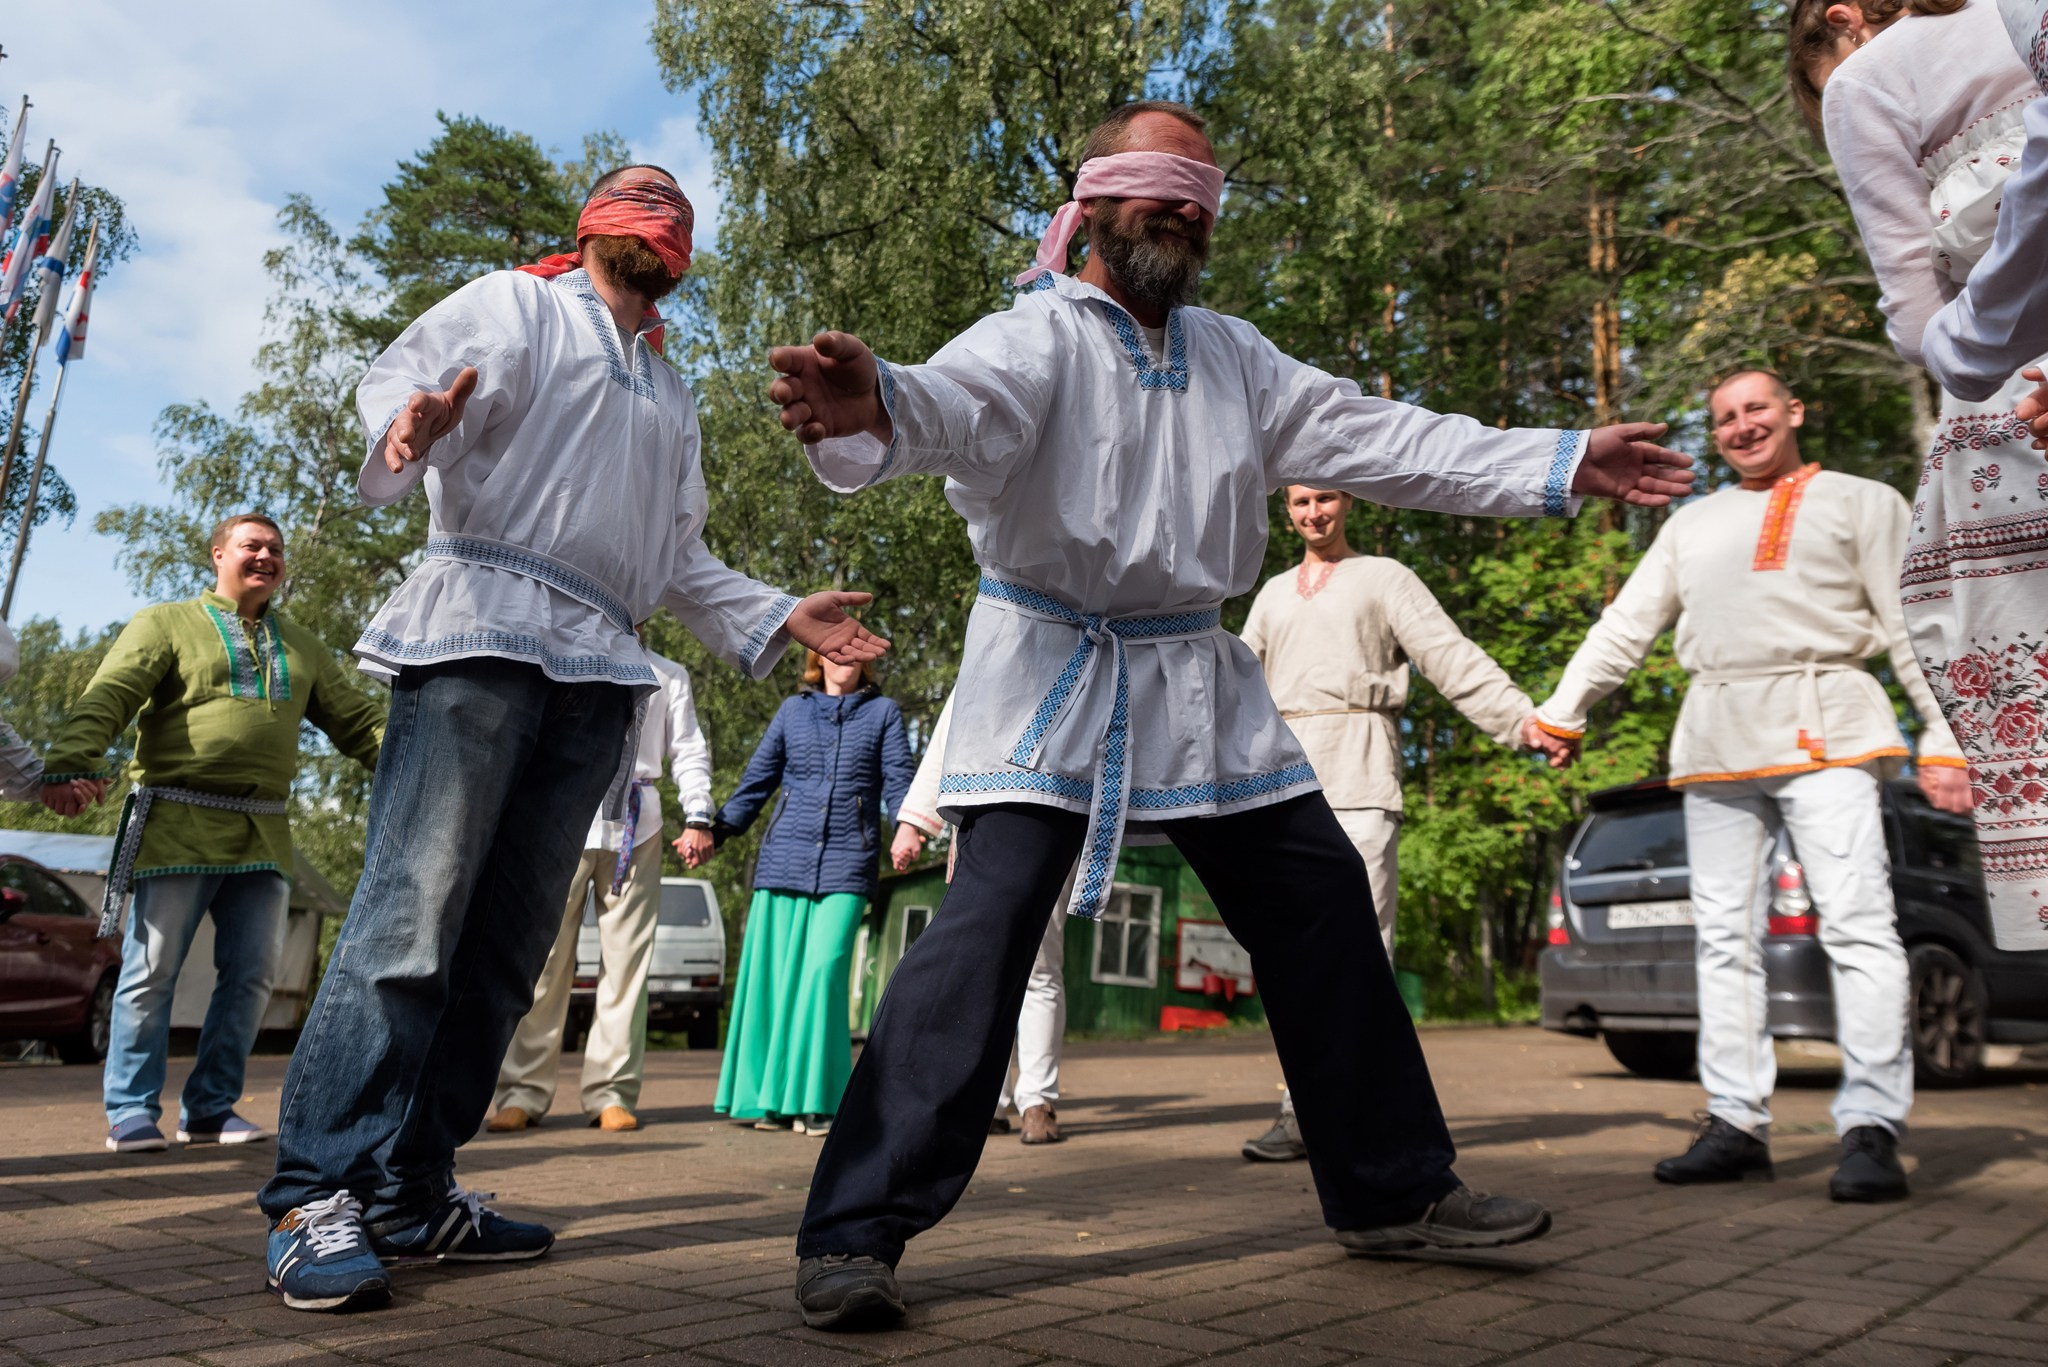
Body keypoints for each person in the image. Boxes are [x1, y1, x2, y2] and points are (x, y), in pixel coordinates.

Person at [765, 100, 1695, 1329]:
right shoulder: (1034, 337)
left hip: (1194, 675)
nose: (1184, 209)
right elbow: (949, 405)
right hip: (1050, 672)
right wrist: (874, 403)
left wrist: (1556, 460)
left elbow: (1382, 436)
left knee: (1315, 900)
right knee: (980, 933)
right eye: (1159, 186)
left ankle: (1389, 1187)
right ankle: (851, 1234)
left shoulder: (1238, 356)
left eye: (1200, 193)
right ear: (1091, 204)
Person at [256, 166, 888, 1315]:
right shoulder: (516, 305)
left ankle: (410, 1187)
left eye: (676, 206)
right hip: (482, 632)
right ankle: (316, 1192)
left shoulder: (671, 390)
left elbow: (679, 560)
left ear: (685, 253)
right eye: (636, 196)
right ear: (592, 226)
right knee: (410, 918)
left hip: (600, 667)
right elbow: (399, 382)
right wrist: (409, 426)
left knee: (506, 945)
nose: (657, 213)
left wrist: (779, 612)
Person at [1532, 370, 1970, 1202]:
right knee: (1722, 938)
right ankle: (1735, 1120)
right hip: (1718, 735)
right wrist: (1564, 710)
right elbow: (1627, 623)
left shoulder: (1861, 499)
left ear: (1794, 411)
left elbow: (1918, 620)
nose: (1742, 426)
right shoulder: (1693, 524)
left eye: (1757, 408)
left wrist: (1945, 736)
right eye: (1725, 418)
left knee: (1859, 928)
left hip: (1830, 725)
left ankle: (1872, 1125)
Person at [1790, 0, 2048, 951]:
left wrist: (1969, 347)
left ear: (1843, 18)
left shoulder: (1864, 81)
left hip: (2015, 408)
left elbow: (1913, 322)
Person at [1236, 484, 1572, 1163]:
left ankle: (1363, 1119)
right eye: (1300, 502)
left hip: (1362, 775)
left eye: (1325, 498)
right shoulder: (1271, 595)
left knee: (1362, 952)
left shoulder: (1385, 577)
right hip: (1286, 788)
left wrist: (1521, 720)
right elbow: (1232, 689)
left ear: (1348, 501)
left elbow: (1449, 655)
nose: (1313, 513)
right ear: (1287, 509)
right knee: (1290, 955)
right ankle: (1302, 1111)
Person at [39, 513, 384, 1155]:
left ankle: (210, 1109)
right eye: (252, 545)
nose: (266, 556)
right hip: (177, 821)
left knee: (252, 975)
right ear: (218, 553)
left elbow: (361, 725)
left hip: (265, 833)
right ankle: (131, 1111)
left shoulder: (302, 645)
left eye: (276, 549)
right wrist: (71, 763)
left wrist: (426, 769)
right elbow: (108, 695)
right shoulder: (165, 623)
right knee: (152, 971)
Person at [487, 644, 715, 1135]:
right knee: (543, 961)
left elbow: (690, 748)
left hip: (639, 821)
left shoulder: (668, 673)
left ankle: (611, 1092)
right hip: (563, 817)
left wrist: (698, 812)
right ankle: (521, 1091)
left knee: (627, 963)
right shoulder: (569, 656)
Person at [707, 652, 913, 1137]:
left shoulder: (883, 713)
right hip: (783, 860)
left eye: (857, 654)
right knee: (772, 984)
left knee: (822, 974)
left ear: (867, 664)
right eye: (837, 652)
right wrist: (716, 832)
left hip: (848, 861)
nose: (847, 661)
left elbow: (900, 780)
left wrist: (907, 828)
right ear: (817, 659)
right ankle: (767, 1102)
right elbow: (757, 781)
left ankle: (817, 1100)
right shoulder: (792, 711)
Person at [893, 691, 1074, 1146]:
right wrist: (913, 824)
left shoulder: (1084, 643)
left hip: (1054, 812)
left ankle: (1037, 1100)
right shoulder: (996, 637)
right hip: (983, 821)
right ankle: (989, 1098)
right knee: (983, 964)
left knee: (1038, 964)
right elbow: (949, 733)